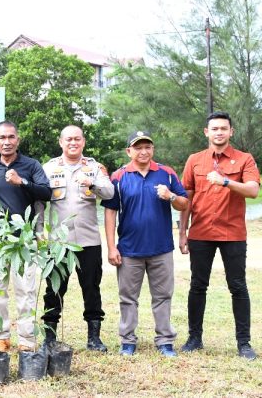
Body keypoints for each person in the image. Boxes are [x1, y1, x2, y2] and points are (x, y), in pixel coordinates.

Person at [178, 111, 261, 360]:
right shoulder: (195, 160)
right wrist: (182, 233)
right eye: (214, 129)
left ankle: (244, 343)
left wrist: (225, 182)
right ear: (207, 132)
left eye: (223, 128)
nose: (219, 132)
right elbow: (187, 200)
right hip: (200, 232)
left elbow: (253, 190)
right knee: (197, 285)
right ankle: (194, 338)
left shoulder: (244, 159)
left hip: (233, 233)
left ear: (231, 132)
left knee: (238, 286)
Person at [102, 131, 189, 357]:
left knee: (162, 296)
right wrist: (112, 247)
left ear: (153, 149)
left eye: (147, 147)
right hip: (129, 250)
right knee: (128, 298)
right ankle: (128, 341)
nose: (143, 151)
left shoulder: (166, 173)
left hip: (161, 248)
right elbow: (110, 212)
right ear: (129, 151)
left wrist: (170, 195)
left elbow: (184, 204)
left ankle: (164, 340)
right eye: (138, 147)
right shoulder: (119, 177)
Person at [34, 125, 114, 351]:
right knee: (54, 290)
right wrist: (39, 230)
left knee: (91, 288)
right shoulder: (49, 168)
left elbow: (109, 193)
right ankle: (49, 338)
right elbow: (39, 202)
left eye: (77, 139)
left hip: (88, 241)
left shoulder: (94, 167)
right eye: (68, 139)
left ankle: (94, 338)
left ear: (83, 142)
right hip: (59, 243)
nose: (73, 143)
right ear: (61, 142)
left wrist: (93, 184)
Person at [0, 121, 51, 352]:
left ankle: (27, 340)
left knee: (26, 291)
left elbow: (46, 193)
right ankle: (1, 337)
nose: (6, 142)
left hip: (24, 241)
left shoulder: (31, 165)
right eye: (2, 138)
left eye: (11, 137)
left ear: (18, 139)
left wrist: (22, 182)